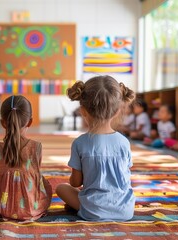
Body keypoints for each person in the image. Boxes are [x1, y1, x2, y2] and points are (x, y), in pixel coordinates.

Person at [55, 75, 136, 221]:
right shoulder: (124, 142)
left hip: (94, 210)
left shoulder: (80, 143)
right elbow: (125, 176)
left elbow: (75, 183)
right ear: (117, 110)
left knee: (61, 187)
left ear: (83, 110)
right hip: (125, 210)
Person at [0, 95, 52, 221]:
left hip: (2, 207)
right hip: (32, 207)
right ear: (30, 122)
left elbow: (0, 173)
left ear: (2, 123)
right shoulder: (36, 147)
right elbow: (35, 174)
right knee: (45, 182)